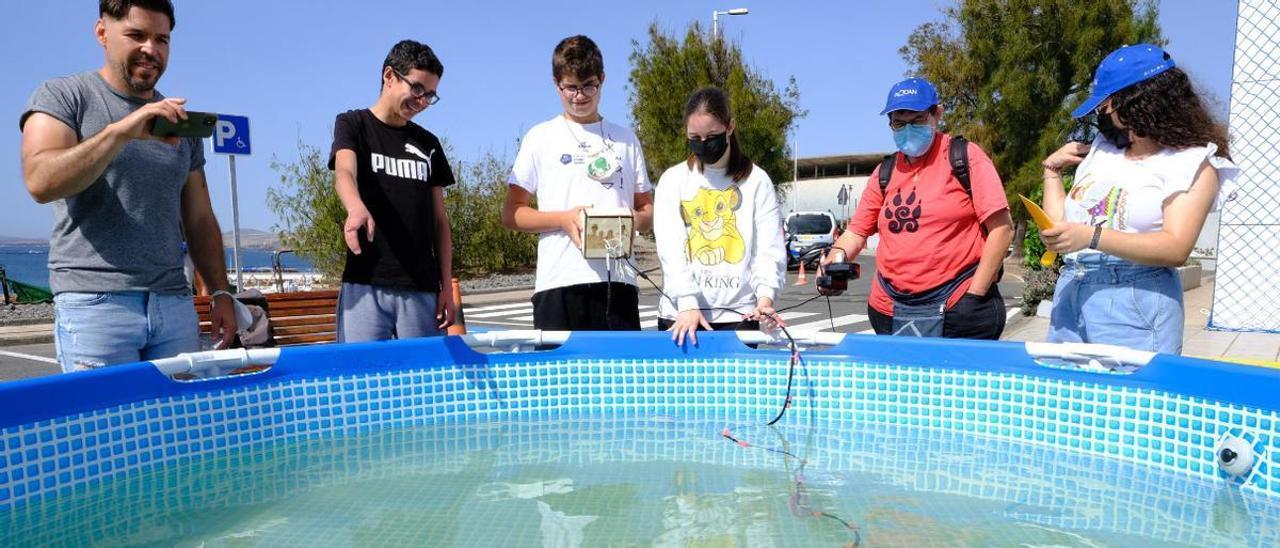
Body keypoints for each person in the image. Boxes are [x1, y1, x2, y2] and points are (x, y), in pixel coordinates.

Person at [19, 0, 236, 372]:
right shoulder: (63, 96)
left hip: (173, 304)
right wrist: (121, 133)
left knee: (176, 429)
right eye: (136, 35)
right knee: (102, 429)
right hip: (95, 304)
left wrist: (220, 292)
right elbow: (40, 181)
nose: (151, 49)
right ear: (102, 32)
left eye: (161, 39)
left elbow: (199, 218)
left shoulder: (178, 121)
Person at [1039, 44, 1239, 354]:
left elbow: (1176, 247)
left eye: (1106, 106)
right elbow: (1063, 229)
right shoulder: (1104, 149)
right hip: (1074, 289)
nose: (1100, 114)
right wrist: (1051, 172)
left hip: (1133, 298)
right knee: (1070, 399)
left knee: (1128, 400)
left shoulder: (1192, 162)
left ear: (1139, 102)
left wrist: (1091, 237)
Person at [820, 77, 1013, 339]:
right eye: (899, 123)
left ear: (937, 114)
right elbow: (856, 232)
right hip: (889, 309)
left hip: (959, 307)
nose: (908, 129)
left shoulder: (965, 158)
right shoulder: (884, 173)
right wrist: (835, 261)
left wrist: (975, 295)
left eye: (918, 120)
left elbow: (1001, 229)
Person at [501, 35, 653, 330]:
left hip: (618, 282)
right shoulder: (540, 137)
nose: (580, 95)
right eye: (570, 87)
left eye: (589, 86)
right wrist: (564, 219)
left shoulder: (626, 139)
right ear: (556, 84)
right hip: (559, 283)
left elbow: (648, 211)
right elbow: (512, 213)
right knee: (561, 377)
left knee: (620, 376)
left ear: (602, 80)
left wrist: (632, 219)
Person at [329, 40, 457, 342]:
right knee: (361, 381)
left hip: (421, 289)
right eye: (417, 89)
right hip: (366, 283)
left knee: (423, 383)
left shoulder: (429, 144)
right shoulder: (353, 124)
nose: (422, 101)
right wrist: (355, 207)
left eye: (430, 95)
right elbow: (344, 171)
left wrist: (446, 287)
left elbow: (440, 221)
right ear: (389, 76)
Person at [653, 87, 786, 346]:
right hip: (680, 315)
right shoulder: (673, 180)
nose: (703, 144)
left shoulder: (757, 181)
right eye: (695, 137)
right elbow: (671, 249)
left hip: (738, 316)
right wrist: (688, 303)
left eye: (712, 136)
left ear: (730, 127)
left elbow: (768, 250)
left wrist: (765, 299)